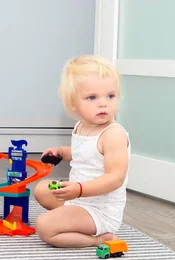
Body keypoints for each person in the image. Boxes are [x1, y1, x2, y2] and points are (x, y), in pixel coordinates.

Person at [34, 55, 130, 248]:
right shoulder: (81, 126)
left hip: (99, 210)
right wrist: (61, 151)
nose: (103, 103)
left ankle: (99, 239)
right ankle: (70, 217)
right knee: (42, 189)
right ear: (73, 103)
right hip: (80, 199)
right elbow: (85, 153)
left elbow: (115, 178)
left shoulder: (113, 134)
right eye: (92, 97)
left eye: (110, 96)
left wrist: (79, 190)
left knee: (44, 226)